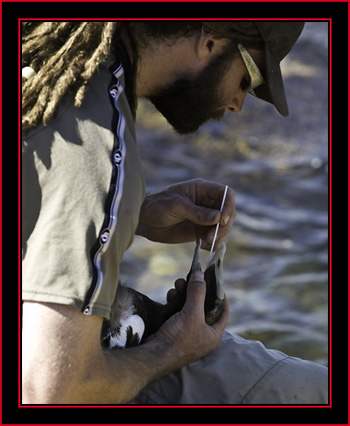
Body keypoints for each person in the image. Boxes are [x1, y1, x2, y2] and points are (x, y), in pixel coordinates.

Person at [21, 21, 328, 404]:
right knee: (318, 394)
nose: (238, 103)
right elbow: (50, 391)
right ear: (210, 39)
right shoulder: (100, 149)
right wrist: (170, 350)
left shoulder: (47, 53)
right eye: (249, 79)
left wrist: (132, 215)